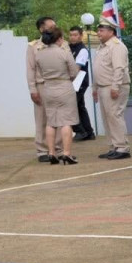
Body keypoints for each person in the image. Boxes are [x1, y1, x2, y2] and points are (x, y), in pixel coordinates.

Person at [30, 24, 80, 165]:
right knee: (66, 121)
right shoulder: (64, 52)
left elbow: (40, 72)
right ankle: (66, 153)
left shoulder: (39, 54)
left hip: (48, 87)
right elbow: (74, 72)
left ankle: (51, 152)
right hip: (64, 86)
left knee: (51, 122)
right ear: (58, 39)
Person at [92, 21, 131, 160]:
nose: (98, 33)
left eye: (101, 31)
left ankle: (122, 147)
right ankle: (114, 146)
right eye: (98, 30)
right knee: (107, 118)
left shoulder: (117, 46)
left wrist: (115, 87)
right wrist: (95, 87)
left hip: (113, 86)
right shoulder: (102, 47)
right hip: (103, 86)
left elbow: (119, 68)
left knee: (115, 116)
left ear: (111, 32)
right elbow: (99, 68)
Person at [25, 16, 56, 162]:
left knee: (59, 118)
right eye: (51, 27)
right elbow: (30, 69)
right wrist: (33, 90)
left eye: (55, 27)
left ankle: (59, 149)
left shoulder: (61, 44)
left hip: (58, 85)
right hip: (42, 85)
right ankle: (42, 150)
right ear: (41, 29)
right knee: (41, 118)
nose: (54, 29)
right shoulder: (33, 46)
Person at [67, 26, 94, 141]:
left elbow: (76, 69)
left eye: (75, 35)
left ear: (81, 36)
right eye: (71, 35)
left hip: (79, 82)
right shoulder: (68, 48)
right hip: (73, 82)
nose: (72, 37)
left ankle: (80, 131)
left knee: (70, 106)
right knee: (79, 106)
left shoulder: (82, 50)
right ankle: (89, 132)